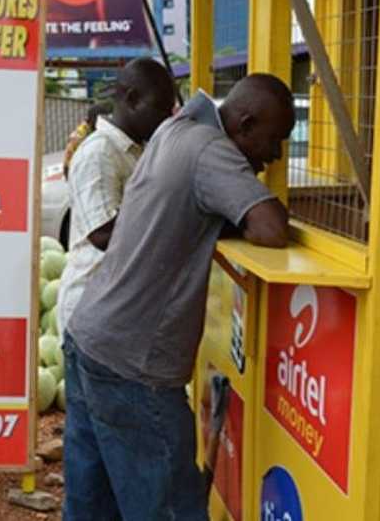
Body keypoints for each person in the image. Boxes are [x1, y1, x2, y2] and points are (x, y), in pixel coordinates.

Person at [62, 74, 294, 520]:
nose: (276, 155)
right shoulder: (214, 150)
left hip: (90, 339)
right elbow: (270, 229)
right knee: (168, 509)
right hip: (134, 366)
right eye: (275, 139)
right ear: (244, 125)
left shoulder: (175, 129)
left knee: (93, 506)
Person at [56, 58, 176, 344]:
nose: (165, 120)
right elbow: (103, 234)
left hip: (114, 311)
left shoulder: (136, 151)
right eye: (160, 109)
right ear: (132, 100)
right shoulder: (100, 153)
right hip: (91, 311)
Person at [62, 101, 113, 180]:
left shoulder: (93, 129)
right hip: (77, 173)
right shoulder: (78, 137)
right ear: (96, 120)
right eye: (106, 119)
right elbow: (69, 163)